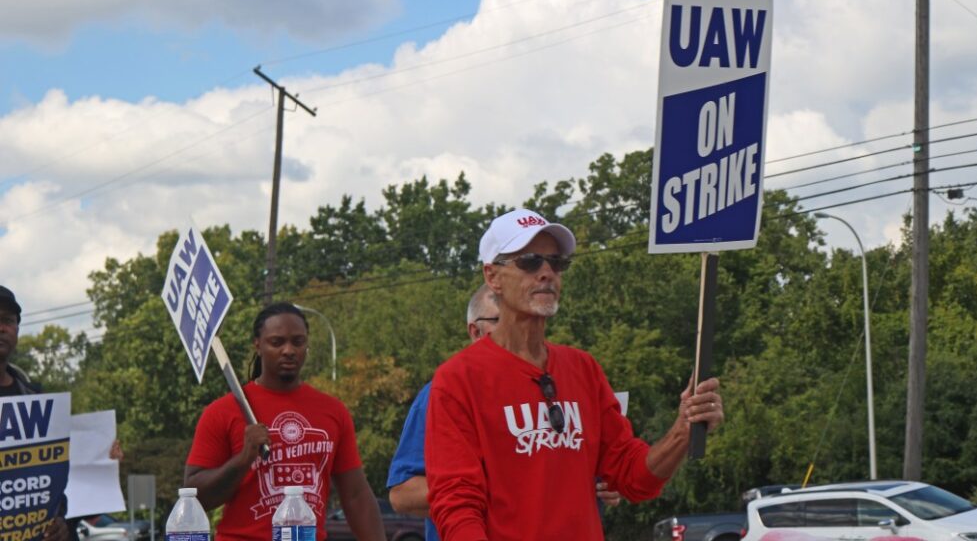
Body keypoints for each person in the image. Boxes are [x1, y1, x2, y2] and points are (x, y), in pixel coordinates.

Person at [425, 210, 725, 541]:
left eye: (556, 263)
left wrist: (683, 430)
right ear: (493, 276)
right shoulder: (457, 379)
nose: (546, 273)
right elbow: (457, 504)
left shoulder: (583, 368)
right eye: (529, 261)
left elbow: (632, 477)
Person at [388, 285, 621, 541]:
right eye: (500, 320)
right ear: (474, 331)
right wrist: (498, 488)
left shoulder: (560, 383)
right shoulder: (443, 393)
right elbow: (401, 494)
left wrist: (604, 483)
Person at [184, 302, 386, 541]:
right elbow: (195, 497)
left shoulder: (333, 411)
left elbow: (356, 495)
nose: (289, 350)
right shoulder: (223, 411)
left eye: (298, 342)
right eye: (277, 342)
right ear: (258, 345)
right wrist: (244, 459)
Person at [0, 285, 70, 541]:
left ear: (17, 330)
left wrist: (61, 524)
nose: (1, 328)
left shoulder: (36, 400)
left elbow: (55, 485)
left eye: (7, 321)